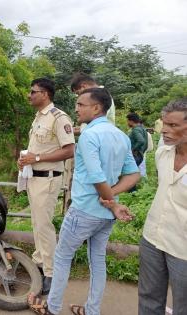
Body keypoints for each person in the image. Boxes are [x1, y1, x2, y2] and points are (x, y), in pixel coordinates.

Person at [28, 88, 140, 315]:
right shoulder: (120, 135)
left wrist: (110, 199)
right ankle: (91, 310)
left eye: (81, 104)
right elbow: (134, 174)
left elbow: (97, 176)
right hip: (106, 213)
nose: (76, 108)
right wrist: (112, 200)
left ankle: (52, 308)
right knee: (97, 260)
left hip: (85, 211)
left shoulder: (89, 135)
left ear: (97, 108)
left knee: (61, 257)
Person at [18, 77, 75, 295]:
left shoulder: (58, 118)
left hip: (48, 179)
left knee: (44, 226)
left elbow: (69, 149)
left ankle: (51, 273)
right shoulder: (39, 117)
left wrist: (37, 157)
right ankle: (39, 263)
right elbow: (36, 149)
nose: (29, 95)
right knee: (36, 223)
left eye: (33, 91)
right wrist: (26, 160)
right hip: (34, 177)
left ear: (45, 94)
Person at [138, 98, 187, 315]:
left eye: (173, 126)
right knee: (149, 297)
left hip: (183, 247)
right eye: (164, 124)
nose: (164, 130)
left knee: (183, 306)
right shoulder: (162, 153)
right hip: (153, 238)